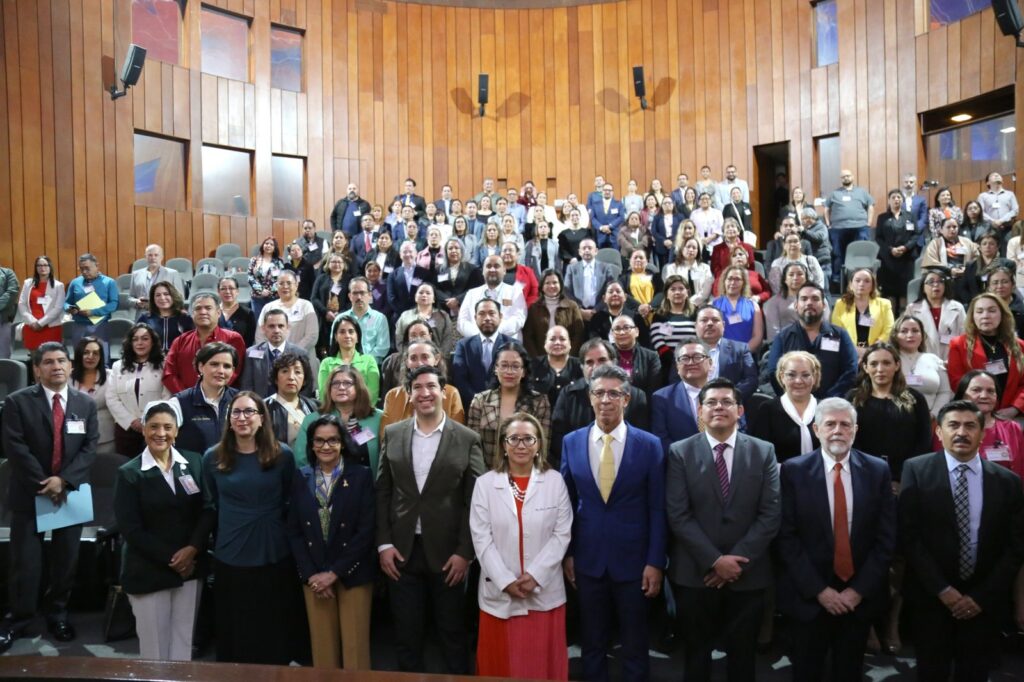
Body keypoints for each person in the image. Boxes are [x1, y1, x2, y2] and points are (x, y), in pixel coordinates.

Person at [665, 377, 781, 682]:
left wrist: (736, 560)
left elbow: (770, 513)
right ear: (700, 411)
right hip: (695, 573)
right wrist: (715, 561)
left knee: (743, 659)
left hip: (748, 573)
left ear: (740, 410)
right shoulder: (680, 452)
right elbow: (678, 514)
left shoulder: (764, 450)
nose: (719, 407)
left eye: (727, 402)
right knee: (696, 657)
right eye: (711, 402)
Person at [899, 400, 1024, 681]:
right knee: (932, 671)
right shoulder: (916, 470)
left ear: (982, 434)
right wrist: (943, 590)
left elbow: (1015, 546)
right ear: (939, 432)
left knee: (975, 673)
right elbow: (909, 536)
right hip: (931, 596)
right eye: (953, 425)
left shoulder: (1008, 482)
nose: (961, 432)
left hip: (984, 599)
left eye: (970, 426)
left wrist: (982, 596)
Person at [777, 398, 896, 682]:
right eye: (830, 424)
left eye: (845, 425)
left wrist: (858, 591)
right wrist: (820, 591)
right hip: (810, 597)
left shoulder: (877, 470)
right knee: (807, 671)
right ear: (817, 429)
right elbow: (786, 537)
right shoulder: (794, 470)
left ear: (855, 430)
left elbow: (886, 538)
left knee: (849, 672)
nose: (837, 431)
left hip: (859, 598)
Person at [376, 365, 485, 674]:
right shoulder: (393, 434)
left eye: (431, 387)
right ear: (409, 396)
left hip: (449, 554)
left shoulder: (466, 438)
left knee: (452, 635)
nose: (424, 393)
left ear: (443, 392)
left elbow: (475, 500)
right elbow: (383, 491)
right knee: (406, 635)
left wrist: (466, 552)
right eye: (418, 388)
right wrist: (383, 543)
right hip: (401, 552)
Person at [560, 364, 666, 682]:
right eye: (599, 393)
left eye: (613, 393)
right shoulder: (572, 442)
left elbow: (658, 509)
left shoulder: (650, 444)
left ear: (626, 399)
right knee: (592, 642)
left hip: (635, 563)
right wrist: (567, 554)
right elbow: (565, 505)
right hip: (587, 561)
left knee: (634, 644)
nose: (606, 399)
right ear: (590, 398)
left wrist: (655, 562)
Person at [0, 342, 98, 653]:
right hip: (30, 491)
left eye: (62, 360)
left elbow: (90, 447)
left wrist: (64, 481)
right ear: (37, 369)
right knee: (25, 563)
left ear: (71, 367)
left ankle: (58, 614)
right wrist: (46, 483)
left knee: (66, 561)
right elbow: (14, 447)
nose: (56, 366)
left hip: (72, 492)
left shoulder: (86, 403)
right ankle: (20, 617)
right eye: (49, 361)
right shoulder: (17, 402)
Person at [202, 392, 301, 664]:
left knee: (273, 621)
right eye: (236, 412)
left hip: (273, 549)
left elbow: (290, 500)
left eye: (249, 412)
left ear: (261, 418)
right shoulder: (213, 457)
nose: (242, 418)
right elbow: (211, 504)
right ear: (228, 419)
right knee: (236, 623)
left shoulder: (283, 455)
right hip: (230, 549)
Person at [471, 412, 571, 679]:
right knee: (501, 668)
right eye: (514, 438)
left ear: (539, 444)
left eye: (528, 439)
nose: (521, 445)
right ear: (503, 444)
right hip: (500, 594)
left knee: (540, 668)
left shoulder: (555, 482)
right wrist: (506, 581)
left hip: (543, 593)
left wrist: (535, 576)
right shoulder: (485, 484)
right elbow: (481, 538)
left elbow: (562, 534)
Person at [112, 400, 212, 661]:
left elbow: (208, 509)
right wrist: (174, 559)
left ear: (177, 430)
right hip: (148, 570)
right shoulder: (129, 473)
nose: (161, 433)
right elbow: (131, 529)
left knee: (183, 642)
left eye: (168, 427)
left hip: (190, 569)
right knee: (155, 650)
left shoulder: (194, 462)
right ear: (144, 430)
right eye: (154, 426)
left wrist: (192, 550)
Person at [287, 414, 375, 670]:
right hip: (314, 575)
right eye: (320, 441)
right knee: (323, 649)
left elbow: (366, 530)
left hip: (353, 573)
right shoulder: (301, 477)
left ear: (343, 443)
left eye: (333, 440)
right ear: (312, 445)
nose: (326, 446)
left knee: (355, 650)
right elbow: (293, 531)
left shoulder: (361, 476)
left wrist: (334, 573)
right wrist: (313, 574)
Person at [549, 339, 650, 467]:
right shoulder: (568, 395)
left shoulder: (636, 396)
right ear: (582, 367)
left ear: (614, 362)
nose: (596, 366)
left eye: (602, 360)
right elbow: (558, 439)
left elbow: (641, 438)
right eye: (589, 362)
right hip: (580, 468)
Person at [848, 342, 933, 483]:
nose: (880, 369)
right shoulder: (852, 398)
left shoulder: (915, 399)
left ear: (897, 365)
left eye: (886, 363)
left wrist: (905, 477)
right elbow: (850, 441)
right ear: (865, 367)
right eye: (874, 364)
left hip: (907, 477)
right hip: (863, 476)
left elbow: (923, 441)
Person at [765, 284, 859, 399]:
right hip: (792, 405)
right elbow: (774, 372)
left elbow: (851, 370)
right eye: (804, 299)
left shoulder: (840, 335)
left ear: (824, 305)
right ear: (796, 306)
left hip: (830, 406)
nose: (809, 302)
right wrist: (791, 398)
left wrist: (830, 398)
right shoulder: (783, 337)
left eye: (815, 299)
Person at [468, 342, 552, 467]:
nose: (509, 371)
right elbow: (473, 446)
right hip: (487, 474)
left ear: (524, 372)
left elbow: (543, 445)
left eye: (515, 366)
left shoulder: (539, 402)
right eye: (504, 365)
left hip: (526, 473)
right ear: (496, 369)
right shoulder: (480, 400)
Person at [948, 292, 1024, 420]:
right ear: (972, 316)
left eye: (992, 311)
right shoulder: (958, 345)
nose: (985, 316)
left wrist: (1014, 408)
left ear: (1002, 315)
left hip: (1012, 417)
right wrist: (983, 407)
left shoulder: (1020, 346)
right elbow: (957, 382)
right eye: (979, 311)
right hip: (973, 415)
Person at [298, 364, 382, 474]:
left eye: (347, 383)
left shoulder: (378, 418)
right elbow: (301, 460)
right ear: (329, 389)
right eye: (336, 383)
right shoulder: (311, 420)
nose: (341, 387)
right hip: (322, 487)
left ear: (358, 387)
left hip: (369, 487)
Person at [107, 322, 170, 457]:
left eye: (145, 338)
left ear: (153, 342)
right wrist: (132, 421)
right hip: (126, 429)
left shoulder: (164, 365)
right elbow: (111, 398)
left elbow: (167, 396)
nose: (139, 343)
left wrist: (148, 420)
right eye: (135, 339)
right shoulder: (118, 366)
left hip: (155, 428)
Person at [162, 293, 246, 394]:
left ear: (218, 313)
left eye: (208, 308)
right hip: (184, 403)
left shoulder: (233, 339)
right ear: (192, 315)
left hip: (221, 400)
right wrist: (187, 396)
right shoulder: (180, 341)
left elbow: (234, 372)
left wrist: (210, 394)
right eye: (198, 309)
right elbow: (169, 374)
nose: (203, 312)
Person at [748, 351, 822, 463]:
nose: (798, 381)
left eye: (805, 375)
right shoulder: (767, 409)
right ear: (782, 377)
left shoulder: (826, 409)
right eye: (791, 375)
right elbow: (760, 456)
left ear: (814, 377)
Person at [380, 339, 465, 434]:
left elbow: (458, 437)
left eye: (425, 357)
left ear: (436, 359)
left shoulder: (451, 394)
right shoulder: (392, 396)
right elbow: (386, 439)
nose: (419, 363)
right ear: (407, 362)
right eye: (413, 358)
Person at [171, 342, 239, 457]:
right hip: (194, 473)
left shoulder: (241, 400)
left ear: (232, 370)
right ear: (200, 367)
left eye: (227, 366)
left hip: (233, 472)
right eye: (214, 364)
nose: (221, 371)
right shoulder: (179, 403)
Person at [954, 370, 1024, 481]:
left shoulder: (1012, 428)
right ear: (962, 395)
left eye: (991, 391)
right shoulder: (949, 429)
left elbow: (1021, 471)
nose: (984, 396)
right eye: (976, 390)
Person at [651, 338, 712, 456]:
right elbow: (661, 439)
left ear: (710, 363)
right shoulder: (661, 398)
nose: (691, 362)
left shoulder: (728, 393)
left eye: (698, 357)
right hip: (681, 466)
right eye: (685, 358)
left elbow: (739, 430)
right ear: (677, 366)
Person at [452, 298, 513, 409]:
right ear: (475, 318)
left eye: (491, 313)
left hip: (505, 407)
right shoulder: (463, 345)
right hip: (472, 407)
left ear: (500, 316)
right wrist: (478, 401)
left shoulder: (513, 345)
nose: (487, 318)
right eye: (482, 314)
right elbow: (460, 379)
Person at [890, 313, 952, 418]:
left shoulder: (934, 359)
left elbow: (945, 392)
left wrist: (933, 415)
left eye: (915, 331)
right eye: (904, 331)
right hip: (895, 417)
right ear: (895, 335)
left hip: (930, 419)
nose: (910, 335)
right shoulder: (888, 359)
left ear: (922, 335)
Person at [241, 308, 310, 399]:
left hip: (290, 408)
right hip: (259, 407)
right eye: (271, 326)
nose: (276, 330)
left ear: (287, 328)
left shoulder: (300, 353)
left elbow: (306, 388)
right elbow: (246, 386)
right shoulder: (251, 353)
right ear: (263, 328)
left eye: (281, 326)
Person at [694, 305, 759, 400]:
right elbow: (675, 381)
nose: (710, 324)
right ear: (695, 326)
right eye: (704, 320)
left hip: (730, 406)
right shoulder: (685, 351)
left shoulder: (740, 349)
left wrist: (729, 397)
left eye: (715, 320)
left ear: (723, 325)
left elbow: (751, 380)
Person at [824, 170, 875, 290]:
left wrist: (869, 223)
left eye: (848, 176)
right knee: (837, 253)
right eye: (843, 177)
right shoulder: (834, 193)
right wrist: (828, 224)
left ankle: (861, 276)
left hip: (860, 227)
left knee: (861, 253)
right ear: (841, 179)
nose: (846, 178)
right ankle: (837, 280)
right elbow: (826, 208)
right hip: (838, 228)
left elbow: (870, 206)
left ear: (852, 177)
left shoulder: (862, 192)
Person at [456, 255, 527, 340]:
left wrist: (494, 334)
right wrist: (480, 335)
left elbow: (519, 318)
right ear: (482, 271)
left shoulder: (515, 292)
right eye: (488, 266)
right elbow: (462, 321)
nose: (492, 269)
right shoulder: (471, 294)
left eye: (496, 266)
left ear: (504, 270)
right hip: (477, 344)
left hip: (508, 344)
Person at [830, 267, 895, 358]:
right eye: (857, 280)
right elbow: (836, 330)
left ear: (873, 285)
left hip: (877, 352)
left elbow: (889, 329)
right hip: (848, 352)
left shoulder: (884, 304)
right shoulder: (840, 304)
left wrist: (872, 350)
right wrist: (855, 350)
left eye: (867, 281)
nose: (861, 284)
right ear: (851, 284)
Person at [903, 267, 966, 360]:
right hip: (922, 362)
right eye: (931, 282)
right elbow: (906, 339)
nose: (936, 285)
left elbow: (965, 337)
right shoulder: (912, 309)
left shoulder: (957, 307)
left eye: (940, 281)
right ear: (923, 288)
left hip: (952, 360)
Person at [317, 315, 380, 405]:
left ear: (358, 337)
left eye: (351, 332)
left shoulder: (369, 361)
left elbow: (372, 394)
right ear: (335, 337)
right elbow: (324, 395)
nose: (347, 335)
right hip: (334, 416)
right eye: (342, 332)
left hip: (363, 414)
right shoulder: (326, 363)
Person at [64, 252, 119, 356]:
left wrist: (93, 312)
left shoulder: (109, 282)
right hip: (79, 325)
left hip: (100, 326)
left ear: (97, 266)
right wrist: (69, 308)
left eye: (87, 268)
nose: (84, 272)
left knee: (101, 358)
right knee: (80, 358)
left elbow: (114, 304)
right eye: (81, 269)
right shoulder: (75, 282)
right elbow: (66, 302)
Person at [764, 263, 832, 344]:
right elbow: (773, 334)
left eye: (800, 274)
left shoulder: (820, 300)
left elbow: (827, 326)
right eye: (791, 275)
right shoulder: (773, 303)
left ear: (806, 278)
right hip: (787, 345)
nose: (795, 278)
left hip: (817, 344)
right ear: (785, 279)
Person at [523, 269, 585, 357]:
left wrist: (569, 356)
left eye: (555, 282)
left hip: (567, 357)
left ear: (560, 285)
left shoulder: (572, 306)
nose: (551, 286)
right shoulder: (534, 308)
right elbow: (528, 337)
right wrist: (537, 359)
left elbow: (579, 334)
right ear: (542, 286)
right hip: (542, 359)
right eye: (547, 283)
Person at [69, 336, 115, 454]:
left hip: (105, 437)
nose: (91, 357)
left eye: (96, 353)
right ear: (79, 355)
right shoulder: (68, 377)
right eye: (86, 352)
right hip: (75, 436)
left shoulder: (111, 376)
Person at [649, 275, 698, 382]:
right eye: (673, 289)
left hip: (693, 363)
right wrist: (673, 359)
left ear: (687, 293)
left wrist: (689, 358)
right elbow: (656, 339)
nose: (677, 292)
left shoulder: (696, 314)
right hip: (667, 365)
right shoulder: (659, 315)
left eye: (681, 289)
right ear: (666, 294)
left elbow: (700, 337)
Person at [264, 352, 317, 450]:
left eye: (297, 372)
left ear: (304, 379)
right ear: (276, 378)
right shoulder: (264, 407)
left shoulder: (314, 406)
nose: (291, 377)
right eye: (285, 371)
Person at [922, 218, 980, 304]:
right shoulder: (935, 243)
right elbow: (930, 263)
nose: (952, 229)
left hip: (966, 277)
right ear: (941, 230)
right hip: (945, 277)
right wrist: (950, 271)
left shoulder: (967, 242)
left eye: (954, 227)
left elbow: (977, 259)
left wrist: (967, 269)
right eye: (948, 227)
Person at [529, 325, 584, 411]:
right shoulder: (533, 365)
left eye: (562, 339)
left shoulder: (581, 366)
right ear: (545, 344)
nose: (557, 342)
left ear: (569, 344)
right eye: (552, 339)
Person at [17, 255, 65, 351]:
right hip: (31, 326)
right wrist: (33, 322)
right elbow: (22, 304)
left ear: (50, 267)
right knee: (35, 358)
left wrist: (41, 323)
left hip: (50, 326)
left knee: (51, 355)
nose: (42, 268)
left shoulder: (58, 285)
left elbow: (58, 308)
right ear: (36, 268)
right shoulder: (28, 283)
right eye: (39, 265)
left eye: (45, 265)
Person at [712, 265, 764, 352]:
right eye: (730, 279)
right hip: (720, 355)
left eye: (737, 279)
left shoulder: (753, 306)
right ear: (724, 281)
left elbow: (758, 336)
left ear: (744, 283)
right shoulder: (713, 305)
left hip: (746, 354)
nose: (733, 282)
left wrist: (742, 352)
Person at [610, 313, 663, 398]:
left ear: (637, 332)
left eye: (626, 328)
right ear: (612, 334)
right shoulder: (605, 356)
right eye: (617, 329)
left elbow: (654, 389)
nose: (622, 332)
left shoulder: (651, 357)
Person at [395, 283, 455, 356]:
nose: (424, 295)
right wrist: (407, 355)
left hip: (438, 359)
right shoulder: (405, 315)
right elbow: (399, 338)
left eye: (428, 293)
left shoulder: (443, 316)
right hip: (410, 358)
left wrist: (438, 358)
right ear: (415, 297)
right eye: (421, 293)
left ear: (434, 299)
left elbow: (447, 339)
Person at [127, 244, 185, 319]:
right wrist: (136, 302)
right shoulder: (136, 274)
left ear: (162, 257)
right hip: (142, 316)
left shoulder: (172, 273)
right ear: (146, 257)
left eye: (156, 255)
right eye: (150, 255)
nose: (153, 258)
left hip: (165, 316)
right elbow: (129, 298)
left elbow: (180, 298)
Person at [587, 280, 650, 345]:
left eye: (618, 291)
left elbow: (645, 343)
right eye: (610, 292)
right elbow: (595, 343)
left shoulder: (636, 317)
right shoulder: (596, 319)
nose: (614, 294)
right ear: (604, 298)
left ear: (625, 297)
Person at [311, 252, 350, 356]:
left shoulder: (349, 280)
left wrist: (340, 313)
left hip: (342, 318)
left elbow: (350, 301)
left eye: (339, 262)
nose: (336, 264)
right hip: (323, 319)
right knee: (323, 349)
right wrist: (325, 312)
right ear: (328, 264)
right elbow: (314, 298)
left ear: (344, 265)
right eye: (333, 262)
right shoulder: (321, 278)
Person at [138, 282, 194, 353]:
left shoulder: (185, 318)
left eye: (166, 294)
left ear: (173, 296)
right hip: (152, 359)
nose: (162, 298)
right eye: (158, 295)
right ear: (153, 299)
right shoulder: (145, 318)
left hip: (178, 359)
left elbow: (192, 343)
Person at [435, 237, 484, 319]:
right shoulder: (439, 269)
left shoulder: (472, 269)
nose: (453, 251)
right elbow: (434, 288)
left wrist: (458, 300)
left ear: (462, 250)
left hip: (465, 308)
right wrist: (448, 301)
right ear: (446, 252)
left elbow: (476, 288)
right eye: (450, 248)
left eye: (456, 248)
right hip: (444, 310)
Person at [662, 234, 713, 307]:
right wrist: (684, 303)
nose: (691, 250)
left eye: (694, 248)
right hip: (678, 306)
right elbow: (671, 289)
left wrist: (691, 303)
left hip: (700, 306)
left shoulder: (705, 268)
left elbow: (705, 291)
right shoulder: (672, 268)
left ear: (698, 251)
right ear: (682, 249)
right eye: (688, 247)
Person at [978, 171, 1020, 248]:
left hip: (1007, 228)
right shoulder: (983, 196)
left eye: (998, 175)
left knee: (1008, 251)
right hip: (990, 229)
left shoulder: (1010, 194)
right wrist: (993, 222)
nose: (997, 175)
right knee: (991, 251)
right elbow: (981, 212)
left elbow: (1015, 210)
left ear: (1002, 180)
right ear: (987, 183)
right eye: (993, 175)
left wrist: (1001, 221)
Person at [983, 260, 1024, 338]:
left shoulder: (1021, 312)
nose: (1000, 286)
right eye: (995, 282)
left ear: (1013, 285)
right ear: (988, 287)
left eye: (1004, 282)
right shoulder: (981, 310)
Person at [618, 250, 662, 321]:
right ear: (630, 261)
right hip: (634, 314)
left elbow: (661, 292)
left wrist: (650, 306)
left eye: (641, 258)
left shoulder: (655, 276)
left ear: (647, 261)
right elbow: (621, 294)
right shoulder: (623, 277)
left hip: (653, 312)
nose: (638, 260)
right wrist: (639, 307)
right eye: (635, 258)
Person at [247, 236, 284, 317]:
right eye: (266, 243)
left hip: (274, 297)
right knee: (258, 323)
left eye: (271, 244)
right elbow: (250, 277)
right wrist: (261, 290)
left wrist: (270, 291)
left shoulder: (279, 261)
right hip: (257, 297)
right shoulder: (254, 260)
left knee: (273, 322)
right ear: (263, 245)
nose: (268, 246)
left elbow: (281, 278)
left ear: (275, 248)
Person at [217, 276, 257, 347]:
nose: (227, 291)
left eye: (231, 288)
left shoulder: (247, 313)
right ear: (218, 292)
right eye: (223, 289)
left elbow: (250, 340)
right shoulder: (213, 312)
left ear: (237, 291)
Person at [588, 182, 625, 249]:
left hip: (614, 236)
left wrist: (610, 226)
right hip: (600, 236)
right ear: (602, 191)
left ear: (612, 192)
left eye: (609, 190)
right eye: (605, 190)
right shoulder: (595, 204)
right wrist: (601, 227)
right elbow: (592, 218)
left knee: (614, 257)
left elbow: (621, 217)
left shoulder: (619, 204)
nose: (607, 192)